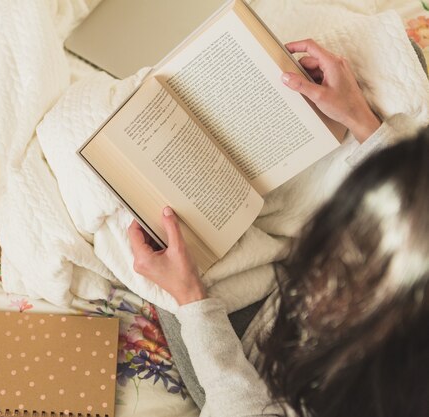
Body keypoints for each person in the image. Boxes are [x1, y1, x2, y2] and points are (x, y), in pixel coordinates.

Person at [127, 39, 429, 417]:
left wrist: (191, 297)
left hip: (253, 374)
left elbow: (237, 400)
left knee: (150, 237)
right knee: (401, 59)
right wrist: (360, 118)